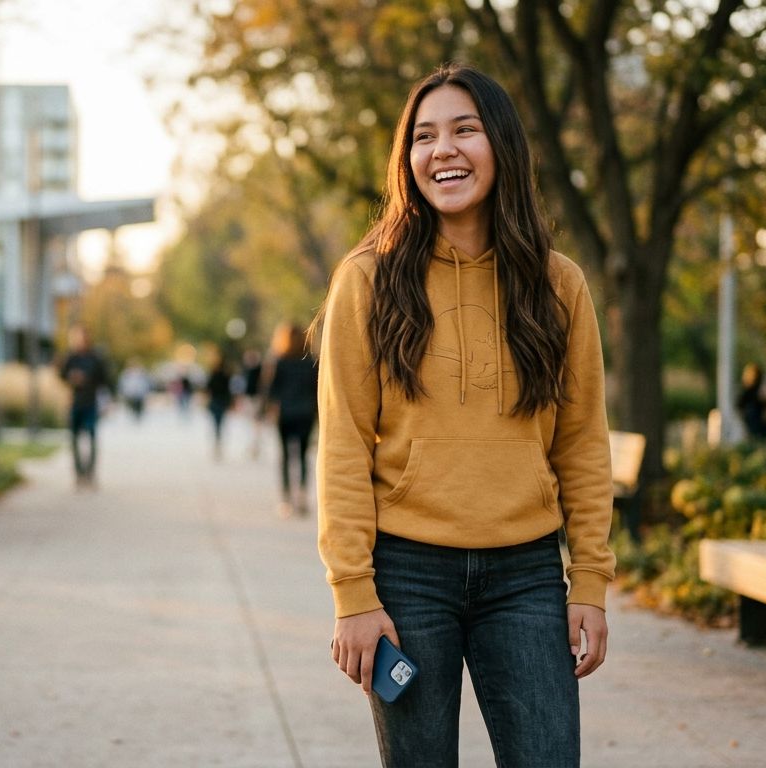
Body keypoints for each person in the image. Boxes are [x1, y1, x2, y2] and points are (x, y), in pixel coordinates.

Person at [314, 63, 613, 767]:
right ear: (405, 160)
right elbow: (343, 448)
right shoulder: (367, 280)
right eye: (422, 136)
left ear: (501, 146)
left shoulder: (556, 283)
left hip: (527, 577)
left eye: (463, 130)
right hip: (406, 575)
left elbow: (581, 444)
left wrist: (590, 582)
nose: (441, 150)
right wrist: (352, 594)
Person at [261, 324, 319, 516]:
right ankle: (302, 496)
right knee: (303, 456)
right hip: (306, 413)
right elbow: (317, 389)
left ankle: (286, 499)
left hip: (285, 413)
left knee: (285, 456)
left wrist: (265, 410)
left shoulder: (278, 360)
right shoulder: (311, 361)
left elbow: (270, 389)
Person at [58, 325, 109, 489]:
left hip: (91, 403)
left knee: (92, 438)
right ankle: (79, 474)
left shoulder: (95, 358)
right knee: (74, 439)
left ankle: (90, 473)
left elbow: (104, 379)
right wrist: (72, 378)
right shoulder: (70, 357)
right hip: (75, 402)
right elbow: (62, 376)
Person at [204, 356, 235, 460]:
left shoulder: (213, 375)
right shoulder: (226, 376)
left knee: (216, 422)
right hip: (222, 401)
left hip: (215, 401)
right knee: (220, 422)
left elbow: (208, 389)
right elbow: (229, 390)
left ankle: (217, 440)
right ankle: (218, 440)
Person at [737, 362, 766, 442]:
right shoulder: (748, 392)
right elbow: (740, 406)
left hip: (761, 424)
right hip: (754, 423)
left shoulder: (762, 389)